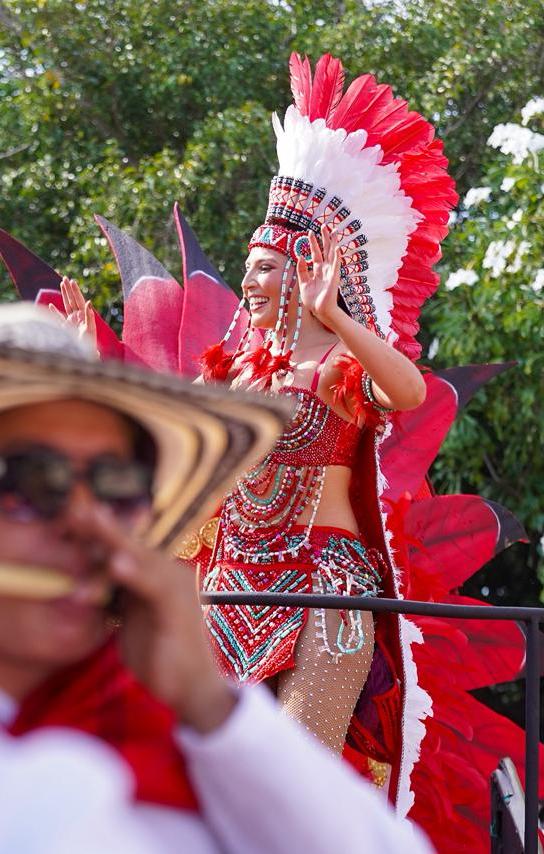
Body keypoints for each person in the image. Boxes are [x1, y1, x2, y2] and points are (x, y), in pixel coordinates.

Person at [0, 302, 433, 854]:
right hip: (233, 583)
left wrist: (213, 710)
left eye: (114, 483)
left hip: (322, 585)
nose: (84, 520)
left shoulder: (167, 739)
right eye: (35, 482)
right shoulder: (240, 369)